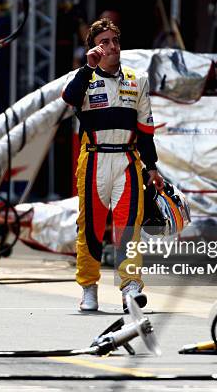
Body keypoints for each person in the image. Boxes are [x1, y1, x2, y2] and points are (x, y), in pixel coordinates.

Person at [62, 18, 164, 312]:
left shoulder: (138, 79)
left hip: (127, 160)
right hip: (93, 158)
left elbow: (146, 130)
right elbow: (69, 99)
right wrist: (88, 67)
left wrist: (152, 167)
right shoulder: (83, 78)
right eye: (104, 42)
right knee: (91, 228)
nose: (111, 47)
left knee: (128, 227)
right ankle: (89, 287)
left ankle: (130, 287)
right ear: (94, 47)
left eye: (114, 41)